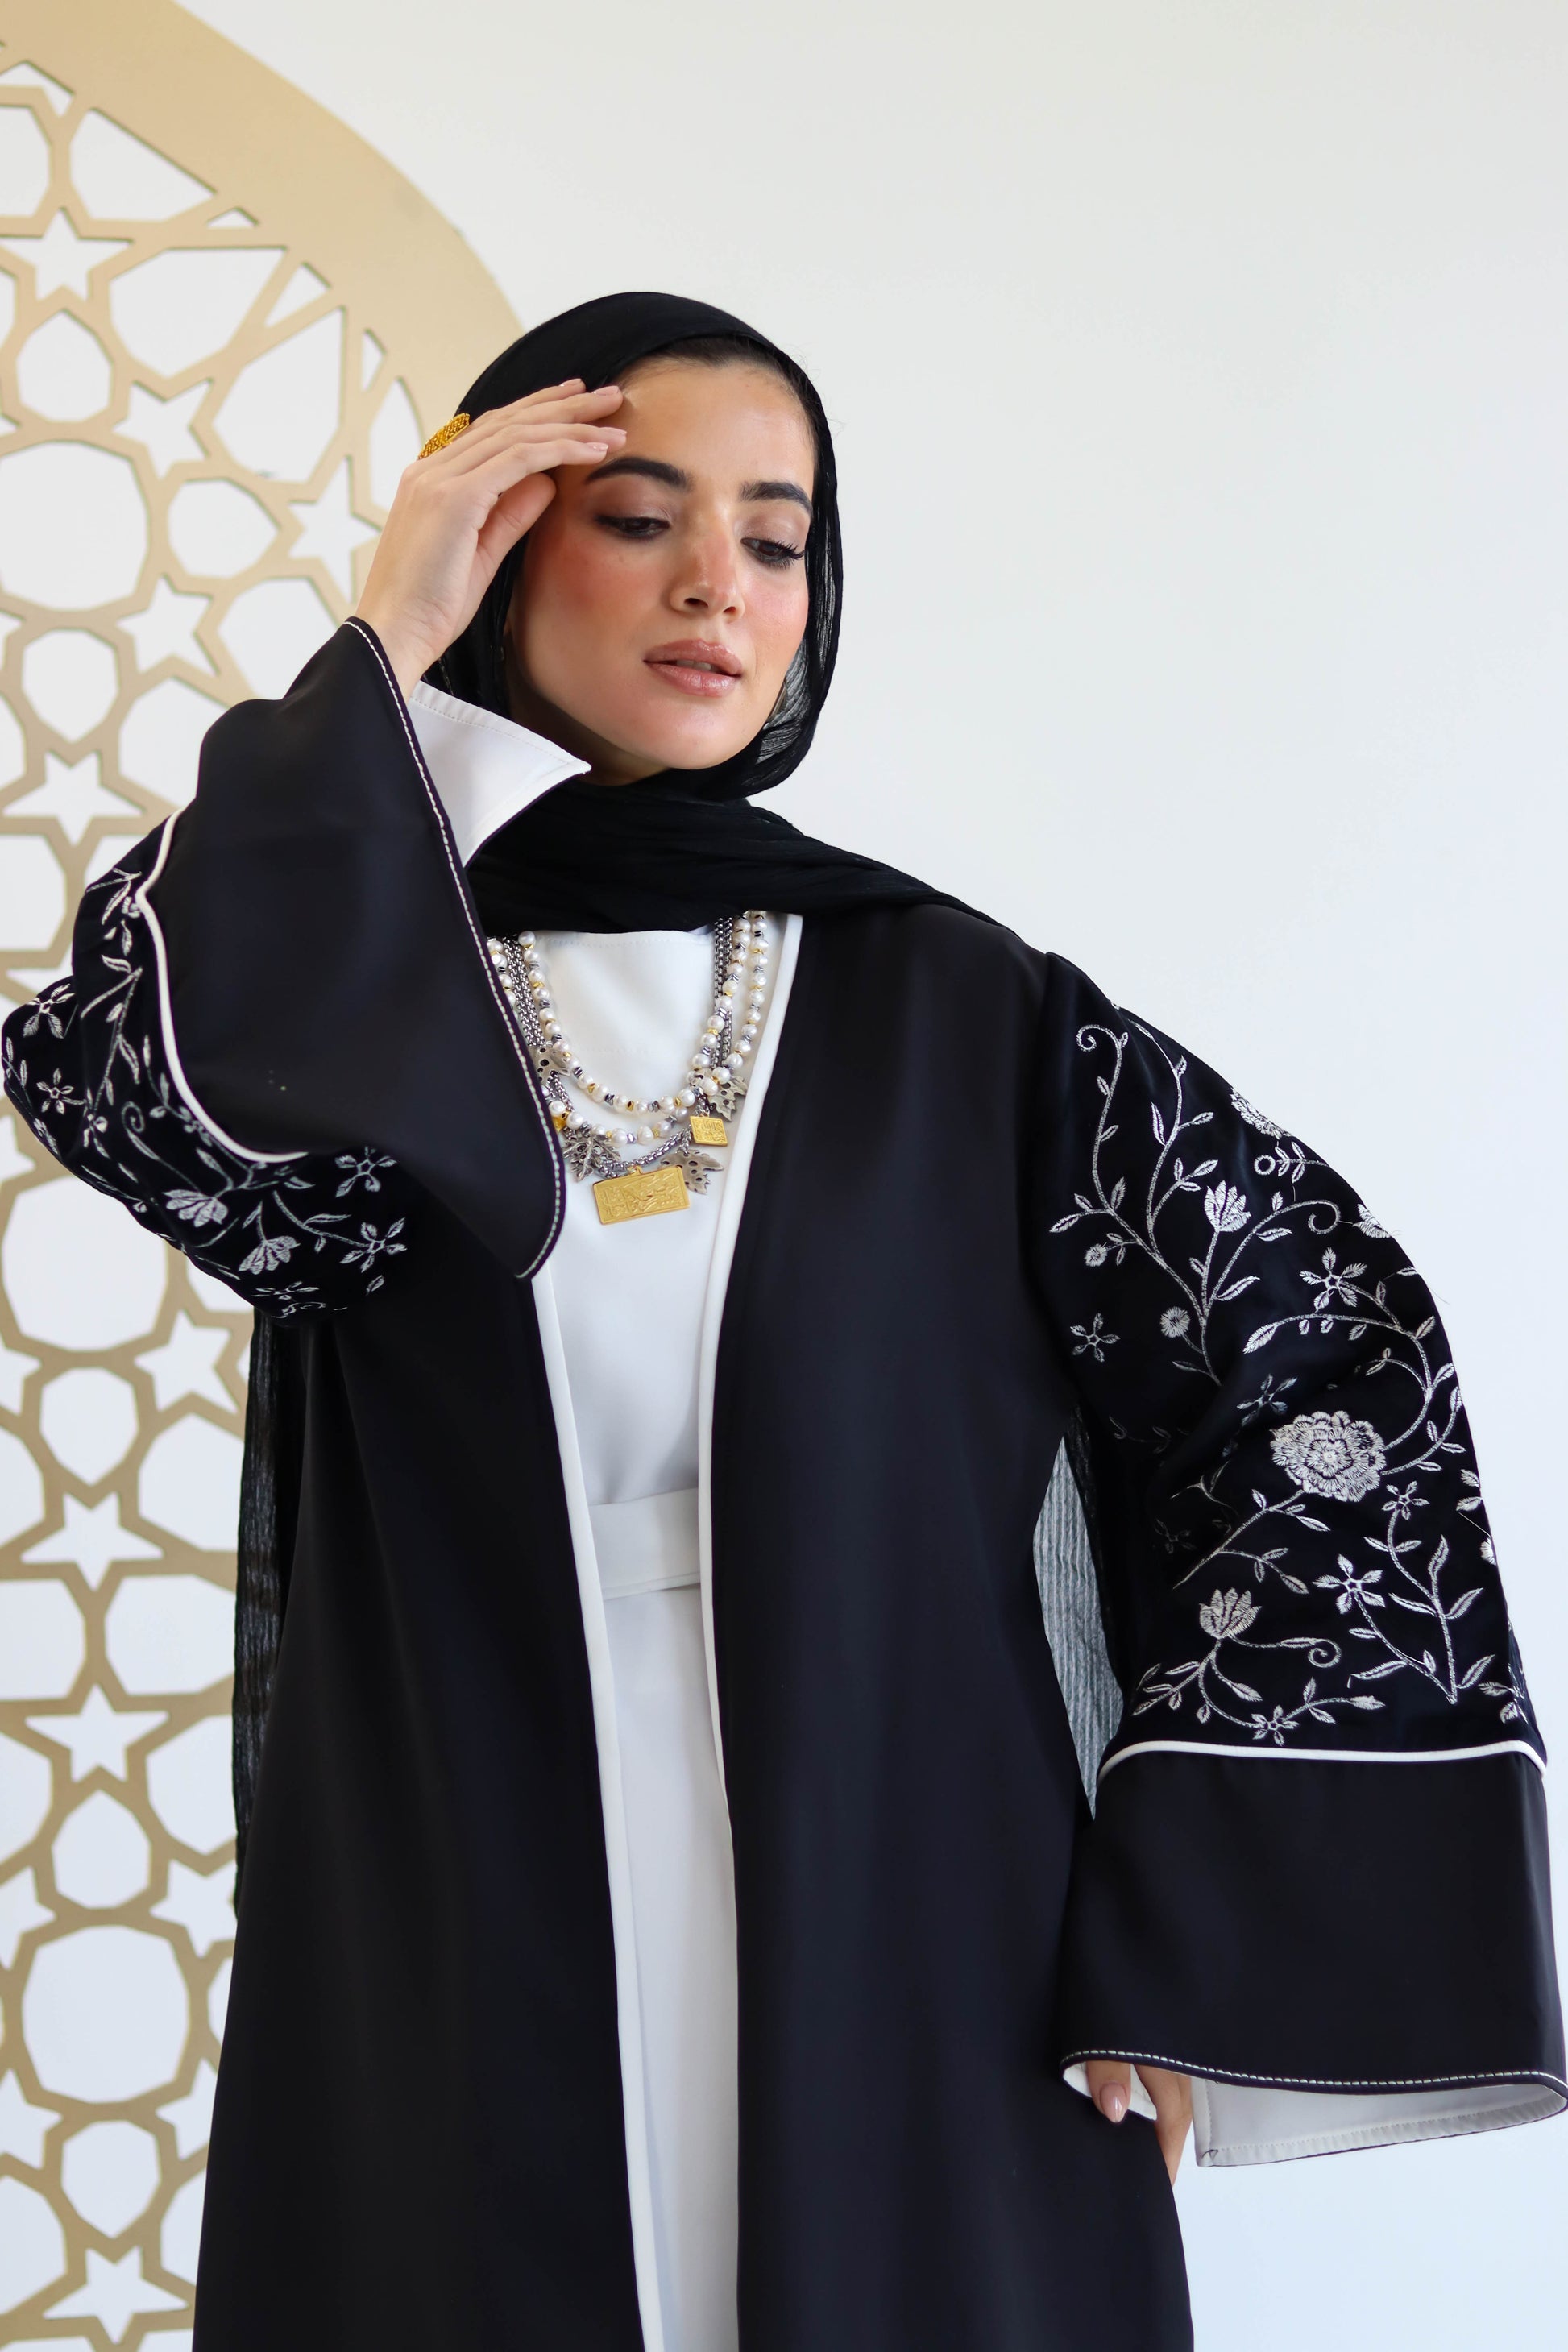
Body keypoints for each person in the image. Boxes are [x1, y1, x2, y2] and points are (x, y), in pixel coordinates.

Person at [5, 292, 1561, 2352]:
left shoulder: (971, 1017)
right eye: (635, 517)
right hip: (462, 1879)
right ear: (502, 547)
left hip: (924, 1903)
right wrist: (391, 652)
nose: (715, 589)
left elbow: (1318, 1368)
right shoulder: (371, 1008)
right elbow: (130, 1085)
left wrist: (1185, 1917)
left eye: (773, 537)